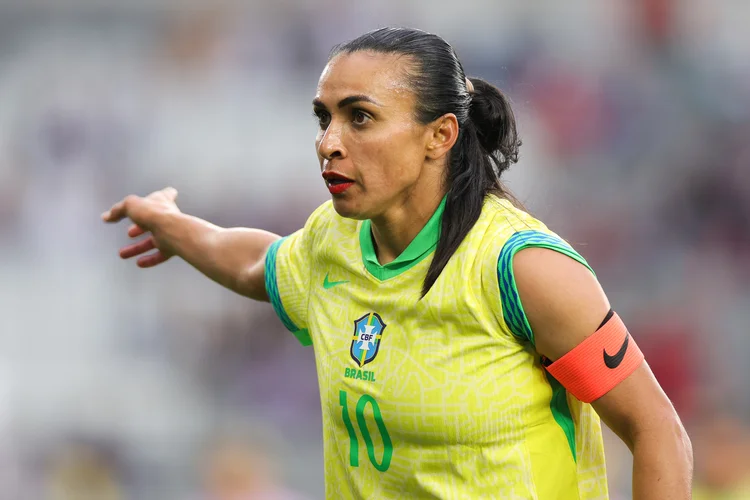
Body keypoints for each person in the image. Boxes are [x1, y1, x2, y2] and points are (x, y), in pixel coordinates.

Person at [102, 27, 693, 500]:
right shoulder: (332, 242)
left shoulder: (521, 270)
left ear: (440, 135)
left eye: (359, 117)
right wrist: (176, 228)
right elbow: (257, 262)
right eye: (323, 117)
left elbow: (657, 433)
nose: (329, 141)